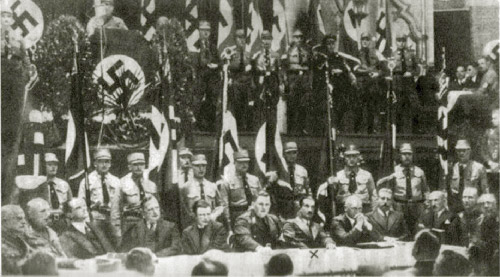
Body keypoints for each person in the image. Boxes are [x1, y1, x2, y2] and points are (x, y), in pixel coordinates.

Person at [376, 143, 429, 236]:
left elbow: (425, 190)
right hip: (399, 206)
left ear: (412, 156)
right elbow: (388, 192)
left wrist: (427, 206)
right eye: (404, 154)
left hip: (417, 207)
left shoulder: (419, 172)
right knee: (400, 233)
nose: (407, 156)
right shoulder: (394, 172)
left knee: (417, 232)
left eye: (409, 154)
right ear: (400, 156)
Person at [311, 34, 358, 134]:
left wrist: (350, 76)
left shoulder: (339, 57)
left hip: (339, 87)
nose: (331, 46)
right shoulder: (322, 58)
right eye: (329, 44)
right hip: (325, 86)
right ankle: (330, 128)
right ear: (325, 45)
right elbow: (319, 72)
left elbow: (347, 70)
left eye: (333, 44)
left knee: (347, 99)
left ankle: (341, 128)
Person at [18, 153, 72, 233]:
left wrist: (68, 220)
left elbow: (70, 204)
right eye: (49, 165)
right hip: (44, 222)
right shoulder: (36, 185)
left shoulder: (63, 184)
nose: (53, 167)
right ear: (43, 166)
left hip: (61, 222)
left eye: (55, 165)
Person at [111, 152, 158, 240]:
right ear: (129, 166)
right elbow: (115, 210)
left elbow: (158, 208)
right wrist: (117, 233)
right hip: (130, 225)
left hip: (148, 226)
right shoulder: (122, 184)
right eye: (135, 164)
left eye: (141, 164)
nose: (139, 167)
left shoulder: (151, 185)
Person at [78, 148, 120, 244]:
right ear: (95, 163)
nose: (104, 165)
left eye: (107, 162)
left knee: (113, 245)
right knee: (97, 245)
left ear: (110, 163)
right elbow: (81, 204)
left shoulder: (116, 181)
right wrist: (87, 223)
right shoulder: (87, 181)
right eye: (101, 162)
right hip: (95, 219)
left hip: (112, 219)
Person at [219, 150, 261, 229]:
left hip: (254, 215)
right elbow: (225, 206)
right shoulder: (227, 182)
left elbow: (260, 199)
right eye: (241, 162)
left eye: (246, 162)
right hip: (237, 216)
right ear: (234, 162)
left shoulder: (254, 180)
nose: (244, 165)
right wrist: (229, 226)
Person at [444, 139, 488, 213]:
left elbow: (485, 189)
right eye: (459, 150)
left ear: (469, 151)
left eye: (464, 150)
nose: (461, 153)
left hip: (473, 205)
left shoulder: (479, 168)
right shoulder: (452, 168)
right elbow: (448, 189)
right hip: (456, 206)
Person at [181, 154, 223, 230]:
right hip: (193, 227)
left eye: (203, 166)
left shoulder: (212, 186)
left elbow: (221, 205)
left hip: (211, 225)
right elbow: (183, 210)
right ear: (192, 167)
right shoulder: (186, 187)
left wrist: (214, 215)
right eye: (197, 166)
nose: (201, 169)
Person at [354, 32, 385, 133]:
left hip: (372, 85)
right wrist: (369, 71)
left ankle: (371, 131)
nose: (365, 42)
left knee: (372, 108)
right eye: (363, 39)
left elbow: (383, 68)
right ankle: (357, 131)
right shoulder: (357, 53)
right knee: (359, 108)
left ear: (370, 41)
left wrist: (378, 74)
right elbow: (355, 69)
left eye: (367, 40)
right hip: (361, 84)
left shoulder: (376, 53)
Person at [223, 29, 254, 131]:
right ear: (235, 39)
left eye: (243, 38)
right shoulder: (231, 53)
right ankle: (237, 124)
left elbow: (252, 70)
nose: (242, 40)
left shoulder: (248, 54)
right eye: (239, 38)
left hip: (246, 82)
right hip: (235, 81)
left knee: (248, 103)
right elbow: (229, 66)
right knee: (236, 101)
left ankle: (245, 125)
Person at [252, 30, 282, 130]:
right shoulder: (256, 55)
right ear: (261, 40)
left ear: (271, 40)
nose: (266, 41)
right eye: (264, 39)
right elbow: (254, 71)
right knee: (260, 107)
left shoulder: (276, 55)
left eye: (268, 39)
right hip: (261, 83)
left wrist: (280, 84)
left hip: (272, 83)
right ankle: (259, 129)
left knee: (272, 108)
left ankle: (272, 129)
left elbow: (279, 72)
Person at [333, 144, 377, 214]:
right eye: (348, 156)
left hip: (363, 212)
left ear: (359, 157)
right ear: (344, 157)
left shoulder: (367, 175)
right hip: (343, 213)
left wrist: (373, 215)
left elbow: (373, 197)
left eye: (354, 156)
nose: (351, 159)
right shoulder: (338, 176)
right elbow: (333, 199)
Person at [271, 141, 310, 219]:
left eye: (294, 153)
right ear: (284, 154)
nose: (292, 156)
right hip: (283, 208)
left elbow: (307, 190)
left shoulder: (302, 171)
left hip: (298, 207)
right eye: (289, 153)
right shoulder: (279, 171)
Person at [283, 30, 311, 134]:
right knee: (292, 103)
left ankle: (302, 128)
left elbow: (310, 65)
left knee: (303, 104)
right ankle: (291, 128)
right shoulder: (288, 50)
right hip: (292, 77)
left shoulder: (307, 50)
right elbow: (284, 67)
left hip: (303, 77)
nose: (298, 39)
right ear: (293, 38)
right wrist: (285, 80)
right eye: (296, 37)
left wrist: (308, 81)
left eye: (300, 37)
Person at [392, 33, 420, 133]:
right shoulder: (392, 54)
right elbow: (388, 69)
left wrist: (411, 73)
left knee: (414, 105)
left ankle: (416, 130)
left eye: (403, 41)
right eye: (399, 41)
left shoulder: (411, 54)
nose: (401, 43)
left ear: (406, 41)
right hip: (397, 82)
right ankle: (398, 131)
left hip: (409, 82)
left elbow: (417, 69)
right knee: (398, 106)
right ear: (396, 42)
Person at [195, 20, 220, 131]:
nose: (205, 33)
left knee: (212, 100)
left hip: (211, 79)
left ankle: (209, 125)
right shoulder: (195, 46)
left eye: (207, 31)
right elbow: (194, 62)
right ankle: (195, 125)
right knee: (197, 100)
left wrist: (216, 65)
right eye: (203, 30)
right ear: (199, 31)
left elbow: (219, 62)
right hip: (199, 77)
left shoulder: (213, 47)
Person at [1, 205, 31, 275]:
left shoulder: (18, 240)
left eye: (24, 218)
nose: (24, 222)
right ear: (4, 221)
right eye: (19, 218)